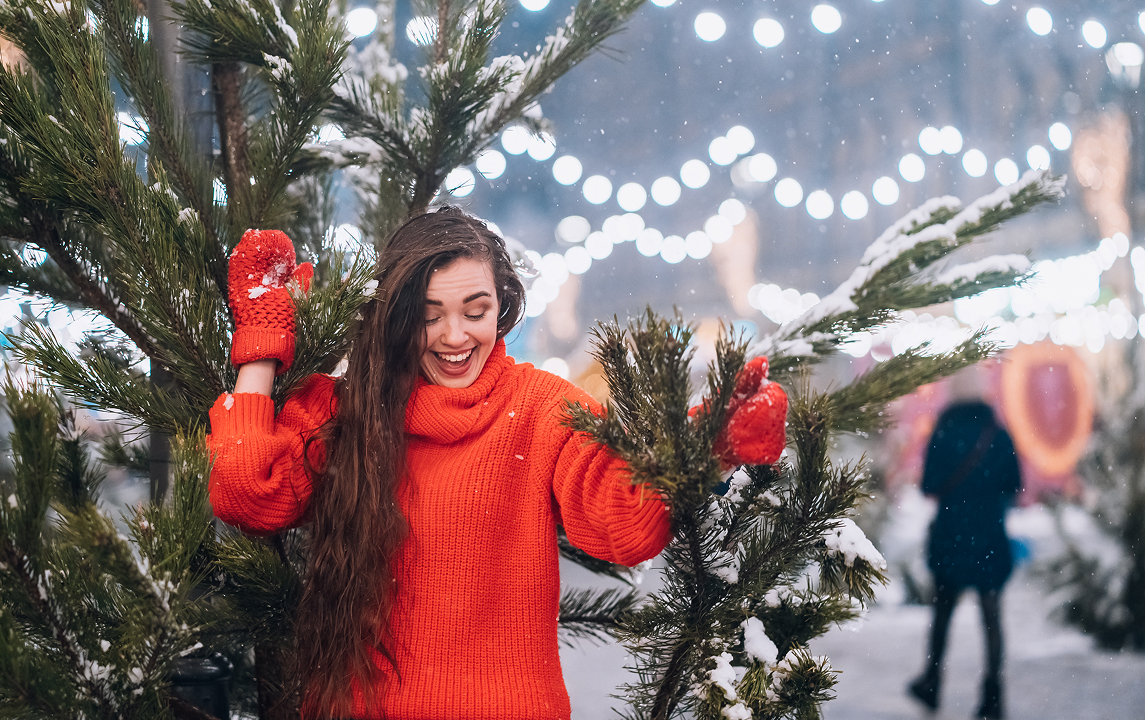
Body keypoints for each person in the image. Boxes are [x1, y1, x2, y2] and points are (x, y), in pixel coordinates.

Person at [207, 207, 786, 719]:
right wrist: (262, 341)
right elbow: (245, 488)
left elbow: (624, 519)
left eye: (474, 310)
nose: (453, 336)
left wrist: (707, 439)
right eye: (429, 315)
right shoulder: (349, 408)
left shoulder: (542, 408)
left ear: (501, 308)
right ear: (397, 317)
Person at [908, 400, 1022, 720]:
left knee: (942, 615)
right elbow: (1013, 484)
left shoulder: (943, 432)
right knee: (992, 618)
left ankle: (932, 681)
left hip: (952, 537)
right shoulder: (997, 433)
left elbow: (929, 485)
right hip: (988, 537)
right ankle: (993, 696)